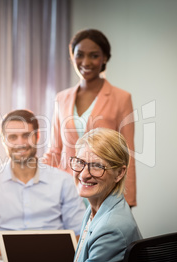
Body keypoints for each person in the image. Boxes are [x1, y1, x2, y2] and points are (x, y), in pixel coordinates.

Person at [0, 109, 86, 256]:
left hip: (53, 260)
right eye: (13, 137)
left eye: (26, 136)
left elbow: (81, 233)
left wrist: (46, 254)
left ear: (38, 136)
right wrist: (14, 254)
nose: (20, 143)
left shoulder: (64, 181)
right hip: (4, 260)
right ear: (3, 140)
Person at [43, 29, 136, 207]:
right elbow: (55, 150)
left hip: (104, 191)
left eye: (94, 56)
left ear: (105, 58)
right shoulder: (61, 98)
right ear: (72, 57)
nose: (86, 62)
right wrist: (30, 168)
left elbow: (128, 154)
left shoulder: (121, 98)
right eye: (80, 55)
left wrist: (128, 199)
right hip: (67, 192)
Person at [70, 128, 142, 262]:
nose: (84, 175)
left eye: (97, 166)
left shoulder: (110, 229)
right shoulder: (97, 207)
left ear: (119, 173)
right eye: (80, 162)